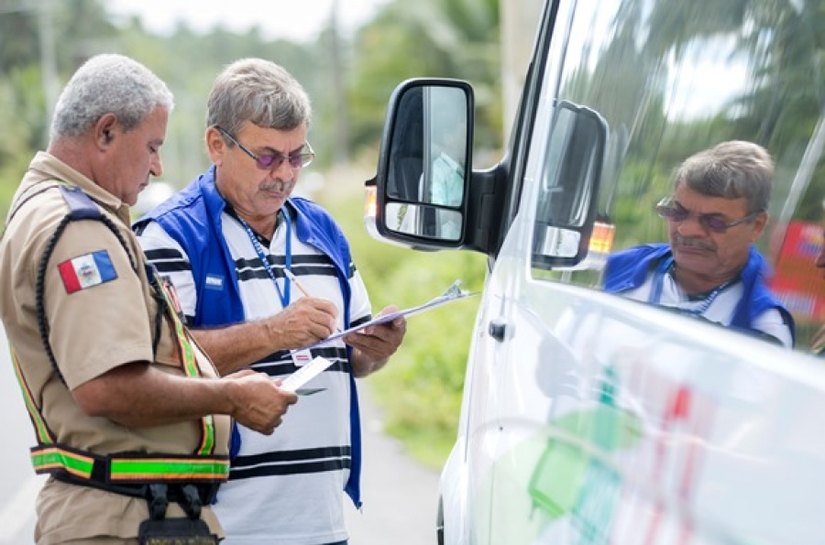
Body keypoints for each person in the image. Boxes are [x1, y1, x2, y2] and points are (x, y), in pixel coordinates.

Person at [0, 54, 298, 545]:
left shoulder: (49, 210)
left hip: (128, 511)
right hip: (122, 517)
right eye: (152, 146)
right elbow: (106, 387)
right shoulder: (80, 229)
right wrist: (230, 396)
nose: (158, 166)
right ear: (106, 132)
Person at [133, 58, 407, 545]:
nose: (284, 174)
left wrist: (376, 348)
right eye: (267, 157)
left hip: (321, 522)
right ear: (217, 144)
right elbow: (158, 367)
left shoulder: (323, 230)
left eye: (297, 157)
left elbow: (356, 360)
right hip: (221, 527)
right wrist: (273, 332)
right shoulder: (170, 236)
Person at [603, 140, 795, 347]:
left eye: (715, 222)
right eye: (678, 212)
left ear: (756, 226)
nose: (686, 230)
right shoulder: (615, 268)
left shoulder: (766, 328)